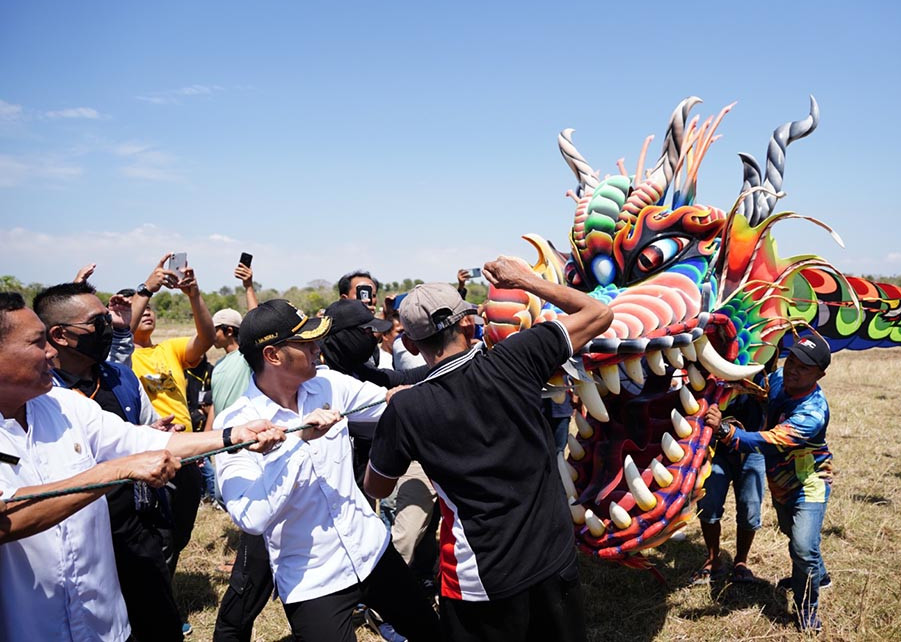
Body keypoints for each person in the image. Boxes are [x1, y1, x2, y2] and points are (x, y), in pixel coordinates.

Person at [0, 291, 285, 642]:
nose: (50, 352)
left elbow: (143, 441)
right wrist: (115, 470)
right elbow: (6, 517)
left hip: (102, 623)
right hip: (30, 627)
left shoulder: (63, 406)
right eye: (36, 342)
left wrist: (231, 435)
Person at [364, 256, 613, 642]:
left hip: (481, 577)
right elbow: (597, 313)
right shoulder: (518, 357)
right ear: (469, 322)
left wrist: (395, 418)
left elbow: (377, 488)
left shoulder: (406, 408)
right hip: (552, 557)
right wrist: (526, 281)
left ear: (410, 344)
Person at [214, 299, 441, 642]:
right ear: (273, 355)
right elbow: (251, 517)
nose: (317, 348)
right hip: (313, 580)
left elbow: (388, 403)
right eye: (305, 343)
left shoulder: (328, 384)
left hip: (373, 553)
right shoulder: (235, 425)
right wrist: (296, 442)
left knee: (433, 634)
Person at [33, 281, 187, 640]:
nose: (112, 327)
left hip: (136, 523)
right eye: (98, 321)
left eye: (110, 319)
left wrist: (159, 431)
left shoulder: (121, 376)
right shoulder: (43, 392)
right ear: (60, 335)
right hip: (77, 533)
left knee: (158, 622)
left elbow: (142, 431)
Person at [704, 335, 834, 633]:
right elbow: (765, 390)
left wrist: (724, 430)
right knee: (793, 533)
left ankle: (806, 609)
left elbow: (770, 441)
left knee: (802, 546)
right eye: (793, 362)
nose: (793, 370)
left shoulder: (812, 413)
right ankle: (819, 575)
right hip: (780, 482)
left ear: (819, 375)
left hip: (809, 483)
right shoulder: (779, 378)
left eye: (804, 368)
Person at [132, 258, 216, 578]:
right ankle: (158, 609)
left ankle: (164, 592)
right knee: (158, 534)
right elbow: (118, 338)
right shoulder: (123, 356)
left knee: (180, 531)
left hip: (186, 451)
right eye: (142, 307)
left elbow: (205, 338)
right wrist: (146, 290)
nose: (148, 310)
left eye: (152, 306)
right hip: (151, 451)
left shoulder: (168, 349)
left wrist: (194, 295)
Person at [690, 374, 769, 585]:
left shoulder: (765, 368)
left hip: (753, 445)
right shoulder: (707, 366)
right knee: (708, 504)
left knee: (750, 508)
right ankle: (713, 559)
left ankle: (741, 563)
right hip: (716, 447)